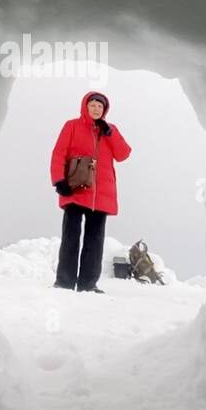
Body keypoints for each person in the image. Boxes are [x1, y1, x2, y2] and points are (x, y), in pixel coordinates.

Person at [49, 91, 131, 293]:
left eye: (100, 106)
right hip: (75, 190)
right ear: (85, 106)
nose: (96, 109)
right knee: (71, 237)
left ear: (105, 110)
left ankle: (88, 284)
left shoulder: (110, 130)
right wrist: (58, 180)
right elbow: (59, 153)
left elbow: (123, 154)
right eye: (92, 105)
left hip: (101, 194)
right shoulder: (72, 126)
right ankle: (65, 281)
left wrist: (110, 134)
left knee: (95, 241)